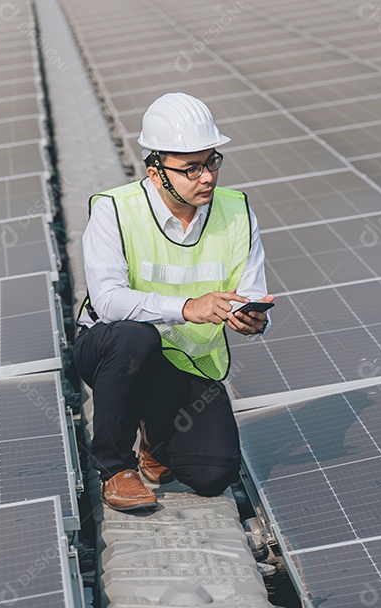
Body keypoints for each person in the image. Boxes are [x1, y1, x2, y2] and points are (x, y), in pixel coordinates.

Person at [74, 92, 273, 511]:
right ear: (156, 172)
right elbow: (108, 302)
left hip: (184, 363)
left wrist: (253, 320)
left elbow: (251, 290)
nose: (208, 177)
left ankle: (155, 433)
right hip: (114, 354)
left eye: (212, 162)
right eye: (192, 168)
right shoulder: (114, 211)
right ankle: (115, 468)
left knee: (213, 474)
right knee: (135, 338)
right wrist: (187, 307)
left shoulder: (237, 212)